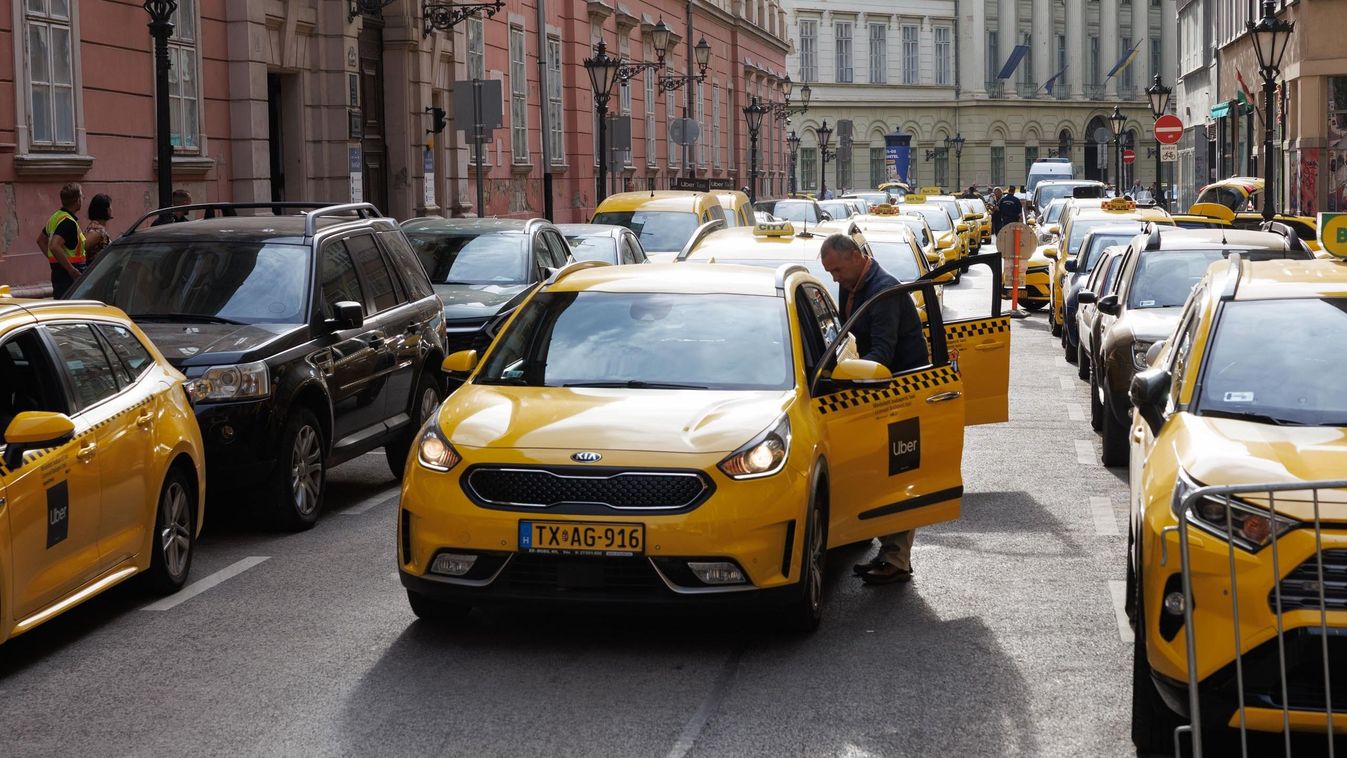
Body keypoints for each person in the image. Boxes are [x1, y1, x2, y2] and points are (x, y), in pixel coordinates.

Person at [818, 233, 929, 585]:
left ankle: (896, 559)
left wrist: (842, 379)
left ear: (855, 256)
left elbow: (881, 352)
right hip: (875, 392)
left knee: (896, 473)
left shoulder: (882, 291)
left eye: (836, 270)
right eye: (829, 273)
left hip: (900, 393)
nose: (834, 278)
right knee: (878, 471)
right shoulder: (851, 285)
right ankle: (884, 547)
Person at [44, 183, 86, 298]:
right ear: (77, 200)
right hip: (70, 276)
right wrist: (71, 270)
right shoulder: (68, 222)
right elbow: (54, 246)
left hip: (59, 273)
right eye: (82, 197)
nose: (83, 199)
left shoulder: (55, 217)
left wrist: (55, 259)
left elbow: (41, 240)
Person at [84, 193, 113, 267]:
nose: (111, 209)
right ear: (104, 209)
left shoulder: (97, 228)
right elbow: (83, 248)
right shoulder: (97, 231)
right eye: (110, 206)